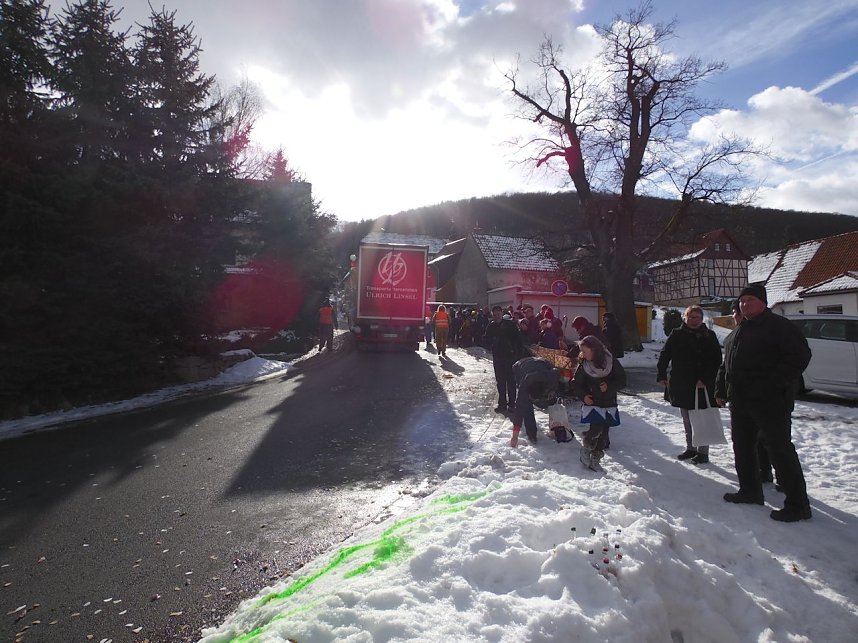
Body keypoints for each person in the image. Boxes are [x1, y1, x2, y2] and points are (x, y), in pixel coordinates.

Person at [715, 283, 813, 522]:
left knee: (779, 450)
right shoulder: (739, 331)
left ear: (763, 302)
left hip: (770, 401)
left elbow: (800, 356)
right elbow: (727, 365)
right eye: (742, 300)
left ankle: (798, 505)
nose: (745, 304)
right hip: (740, 401)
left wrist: (772, 384)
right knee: (743, 447)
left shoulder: (778, 327)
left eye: (750, 299)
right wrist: (722, 389)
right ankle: (750, 491)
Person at [657, 305, 723, 464]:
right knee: (687, 418)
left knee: (702, 418)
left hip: (702, 385)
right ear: (685, 318)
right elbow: (665, 354)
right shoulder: (677, 334)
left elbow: (716, 360)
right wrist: (661, 374)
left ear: (702, 319)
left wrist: (705, 379)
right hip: (682, 383)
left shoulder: (709, 335)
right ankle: (691, 448)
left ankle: (703, 452)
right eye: (691, 317)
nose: (694, 321)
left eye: (698, 318)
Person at [572, 335, 626, 471]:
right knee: (596, 429)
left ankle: (596, 457)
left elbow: (622, 380)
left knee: (604, 434)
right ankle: (586, 447)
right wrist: (584, 396)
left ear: (594, 349)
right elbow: (576, 383)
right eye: (582, 351)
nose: (583, 354)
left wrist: (609, 386)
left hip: (608, 402)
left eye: (585, 351)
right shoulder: (584, 365)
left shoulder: (611, 361)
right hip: (593, 402)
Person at [509, 357, 562, 447]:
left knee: (551, 400)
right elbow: (519, 410)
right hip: (519, 366)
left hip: (542, 363)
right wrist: (514, 437)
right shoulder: (524, 386)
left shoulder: (551, 379)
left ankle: (556, 429)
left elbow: (556, 372)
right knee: (526, 405)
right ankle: (532, 435)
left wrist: (552, 391)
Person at [483, 305, 525, 413]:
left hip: (510, 357)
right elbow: (486, 340)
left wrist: (517, 353)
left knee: (511, 381)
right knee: (500, 381)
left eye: (498, 314)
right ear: (492, 315)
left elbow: (518, 339)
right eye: (495, 315)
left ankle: (512, 404)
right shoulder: (491, 326)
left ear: (502, 313)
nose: (497, 316)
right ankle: (502, 404)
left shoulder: (510, 325)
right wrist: (491, 343)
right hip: (498, 357)